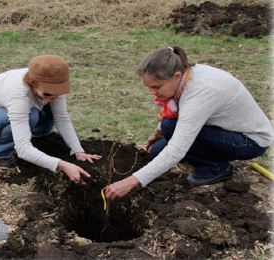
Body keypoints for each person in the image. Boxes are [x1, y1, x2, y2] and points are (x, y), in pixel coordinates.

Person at [105, 46, 273, 200]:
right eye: (147, 87)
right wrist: (158, 132)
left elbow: (177, 149)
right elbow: (181, 114)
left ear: (177, 76)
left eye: (156, 86)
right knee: (158, 148)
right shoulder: (186, 76)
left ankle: (216, 168)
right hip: (221, 129)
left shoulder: (201, 92)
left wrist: (132, 181)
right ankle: (205, 154)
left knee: (170, 127)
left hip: (249, 141)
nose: (151, 93)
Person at [0, 55, 101, 183]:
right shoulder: (18, 95)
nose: (55, 97)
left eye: (60, 92)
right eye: (49, 93)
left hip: (4, 112)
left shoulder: (53, 82)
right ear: (34, 83)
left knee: (47, 107)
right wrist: (61, 165)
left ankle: (41, 136)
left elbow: (62, 118)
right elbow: (22, 149)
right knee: (31, 115)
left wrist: (78, 150)